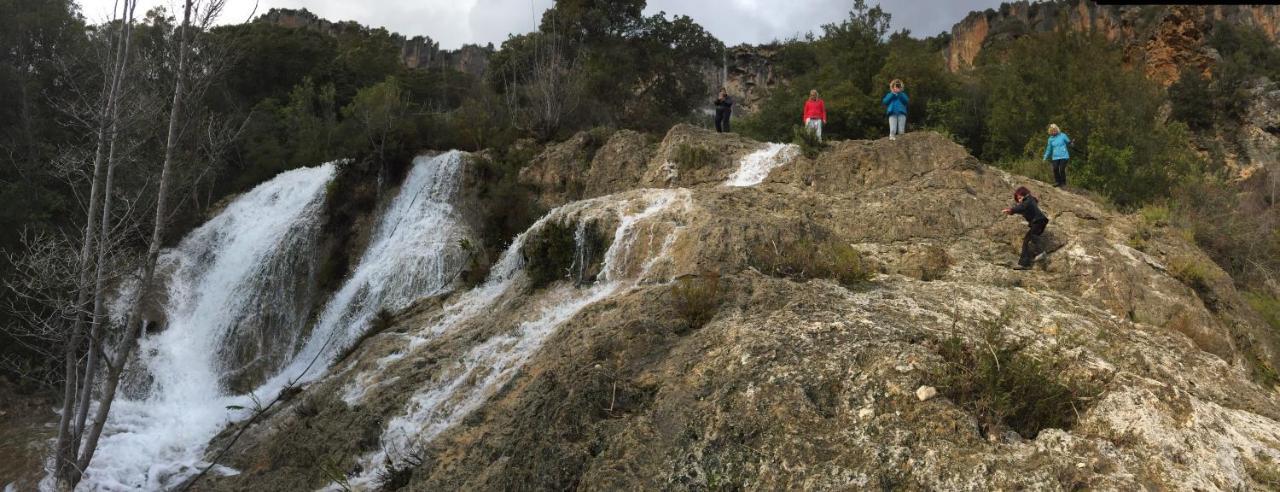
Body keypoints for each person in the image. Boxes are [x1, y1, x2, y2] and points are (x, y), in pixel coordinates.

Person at [1002, 186, 1050, 270]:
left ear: (1024, 194)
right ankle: (1026, 263)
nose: (1019, 200)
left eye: (1020, 197)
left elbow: (1022, 207)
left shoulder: (1028, 200)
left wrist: (1011, 210)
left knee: (1032, 236)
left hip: (1038, 221)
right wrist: (1012, 212)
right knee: (1028, 239)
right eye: (1018, 199)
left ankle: (1041, 253)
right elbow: (1022, 208)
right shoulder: (1029, 201)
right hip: (1039, 222)